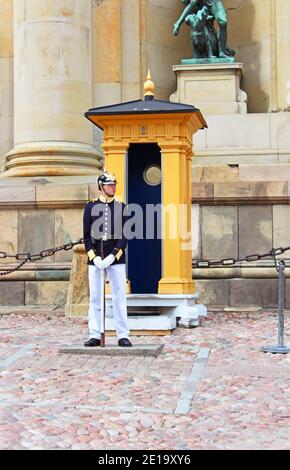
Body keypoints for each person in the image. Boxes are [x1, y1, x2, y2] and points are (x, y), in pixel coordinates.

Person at [83, 170, 132, 347]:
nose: (113, 187)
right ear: (101, 187)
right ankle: (95, 334)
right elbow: (86, 236)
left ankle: (123, 335)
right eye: (110, 185)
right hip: (95, 259)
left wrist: (114, 254)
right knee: (95, 297)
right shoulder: (90, 207)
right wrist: (93, 257)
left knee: (119, 297)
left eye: (114, 184)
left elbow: (125, 235)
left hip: (116, 259)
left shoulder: (121, 207)